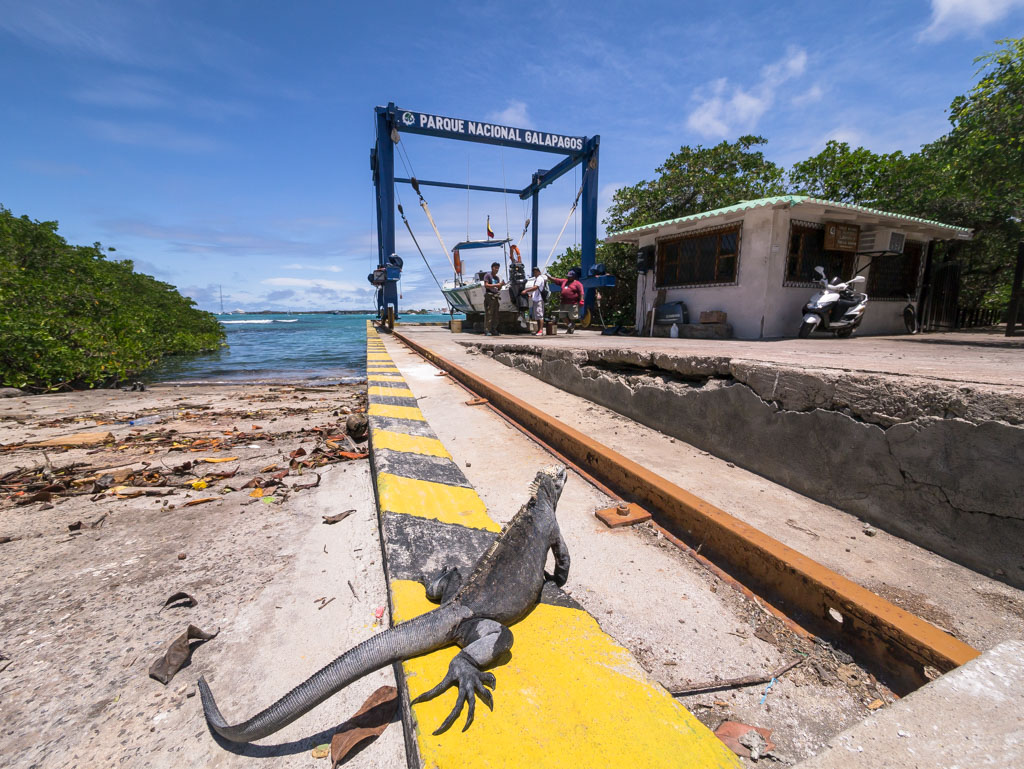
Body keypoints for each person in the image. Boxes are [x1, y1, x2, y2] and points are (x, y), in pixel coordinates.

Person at [550, 269, 584, 333]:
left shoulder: (578, 283)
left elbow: (581, 292)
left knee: (572, 317)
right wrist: (548, 276)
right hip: (563, 302)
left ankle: (570, 328)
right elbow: (555, 280)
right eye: (568, 276)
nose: (568, 277)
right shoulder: (564, 281)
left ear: (573, 277)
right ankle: (570, 326)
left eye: (570, 277)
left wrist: (581, 300)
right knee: (562, 315)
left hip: (573, 303)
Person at [521, 266, 548, 335]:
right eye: (534, 272)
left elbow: (536, 287)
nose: (535, 273)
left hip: (539, 299)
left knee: (540, 315)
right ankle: (538, 330)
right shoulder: (536, 279)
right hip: (536, 299)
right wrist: (531, 295)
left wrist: (526, 291)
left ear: (539, 272)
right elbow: (536, 290)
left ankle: (541, 330)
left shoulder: (539, 278)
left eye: (536, 272)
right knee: (537, 316)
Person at [483, 261, 504, 336]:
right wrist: (496, 285)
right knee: (489, 313)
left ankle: (494, 329)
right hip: (489, 296)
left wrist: (500, 285)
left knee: (495, 314)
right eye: (495, 268)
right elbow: (486, 285)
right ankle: (487, 330)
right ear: (492, 268)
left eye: (498, 268)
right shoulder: (488, 275)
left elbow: (498, 288)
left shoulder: (497, 278)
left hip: (495, 296)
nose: (497, 269)